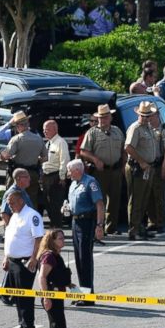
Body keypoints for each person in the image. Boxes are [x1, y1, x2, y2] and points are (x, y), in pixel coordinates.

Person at [1, 190, 44, 328]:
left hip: (25, 262)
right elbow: (9, 238)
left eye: (12, 203)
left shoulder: (32, 216)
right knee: (17, 295)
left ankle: (29, 327)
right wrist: (6, 257)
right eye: (8, 204)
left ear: (21, 201)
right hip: (13, 261)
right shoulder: (15, 216)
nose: (10, 206)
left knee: (24, 295)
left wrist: (34, 258)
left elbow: (39, 239)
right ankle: (22, 324)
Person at [79, 104, 125, 238]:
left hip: (115, 169)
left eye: (105, 117)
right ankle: (99, 227)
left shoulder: (117, 131)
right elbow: (83, 151)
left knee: (115, 199)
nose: (103, 120)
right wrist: (95, 160)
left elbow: (123, 149)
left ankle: (111, 227)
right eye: (100, 117)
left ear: (110, 117)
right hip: (100, 171)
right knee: (99, 200)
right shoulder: (92, 132)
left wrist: (123, 164)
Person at [32, 228, 72, 328]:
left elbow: (56, 276)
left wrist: (69, 285)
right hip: (52, 297)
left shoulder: (55, 255)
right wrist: (46, 297)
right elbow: (42, 277)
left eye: (63, 238)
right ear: (52, 241)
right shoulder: (49, 256)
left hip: (58, 295)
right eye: (60, 238)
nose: (63, 240)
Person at [65, 159, 104, 303]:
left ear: (78, 170)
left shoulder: (90, 182)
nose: (68, 174)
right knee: (78, 258)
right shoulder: (73, 184)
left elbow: (99, 204)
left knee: (85, 259)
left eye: (70, 171)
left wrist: (99, 226)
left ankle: (88, 296)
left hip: (87, 222)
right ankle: (82, 292)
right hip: (75, 222)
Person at [124, 101, 159, 241]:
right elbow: (128, 147)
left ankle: (140, 227)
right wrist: (142, 161)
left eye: (148, 115)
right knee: (136, 200)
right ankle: (133, 230)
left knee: (144, 199)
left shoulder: (148, 127)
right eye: (143, 115)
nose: (145, 118)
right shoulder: (135, 128)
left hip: (147, 167)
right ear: (138, 114)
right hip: (137, 167)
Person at [2, 111, 46, 210]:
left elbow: (6, 155)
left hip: (18, 174)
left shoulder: (16, 139)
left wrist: (1, 154)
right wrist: (34, 158)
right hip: (33, 174)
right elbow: (45, 158)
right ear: (28, 124)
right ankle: (32, 222)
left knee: (12, 199)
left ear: (18, 126)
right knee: (32, 200)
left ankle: (12, 223)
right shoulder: (39, 139)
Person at [144, 109, 165, 235]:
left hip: (158, 165)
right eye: (147, 116)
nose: (149, 118)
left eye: (151, 115)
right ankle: (151, 222)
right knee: (148, 195)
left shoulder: (164, 131)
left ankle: (160, 222)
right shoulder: (145, 131)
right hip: (147, 167)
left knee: (158, 195)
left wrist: (164, 166)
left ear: (157, 116)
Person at [41, 120, 70, 229]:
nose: (45, 132)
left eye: (47, 129)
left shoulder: (60, 142)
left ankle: (57, 227)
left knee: (56, 203)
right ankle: (54, 224)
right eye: (44, 130)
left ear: (55, 129)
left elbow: (64, 160)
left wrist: (62, 177)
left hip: (56, 176)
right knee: (47, 202)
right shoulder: (48, 143)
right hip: (46, 176)